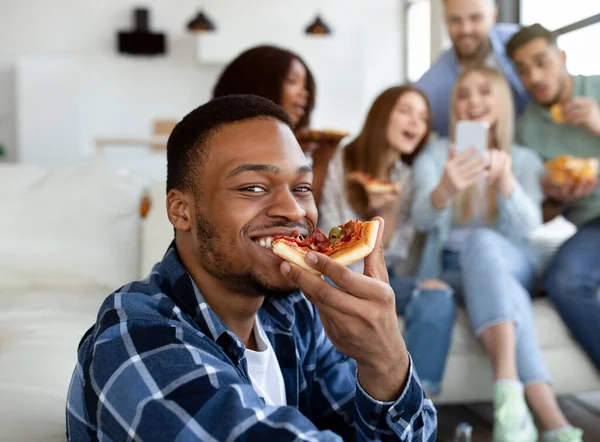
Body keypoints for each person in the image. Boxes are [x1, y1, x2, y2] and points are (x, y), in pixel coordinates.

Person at [66, 95, 437, 441]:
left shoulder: (297, 315)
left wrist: (385, 361)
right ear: (181, 211)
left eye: (303, 187)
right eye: (254, 188)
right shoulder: (137, 338)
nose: (294, 211)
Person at [412, 67, 583, 442]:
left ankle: (508, 393)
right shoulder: (437, 154)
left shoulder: (522, 160)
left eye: (484, 92)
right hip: (454, 272)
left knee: (483, 243)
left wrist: (506, 185)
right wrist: (445, 188)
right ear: (454, 106)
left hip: (512, 262)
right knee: (501, 285)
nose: (473, 102)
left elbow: (529, 230)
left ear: (502, 102)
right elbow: (421, 218)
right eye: (464, 94)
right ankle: (551, 422)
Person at [318, 85, 455, 396]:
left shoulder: (406, 177)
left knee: (438, 295)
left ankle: (417, 402)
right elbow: (330, 237)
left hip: (383, 278)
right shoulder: (343, 161)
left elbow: (394, 255)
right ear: (382, 114)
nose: (415, 122)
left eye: (423, 117)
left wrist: (387, 211)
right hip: (338, 277)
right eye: (405, 111)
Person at [507, 23, 600, 369]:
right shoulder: (526, 128)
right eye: (523, 69)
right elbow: (537, 215)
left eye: (541, 61)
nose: (534, 76)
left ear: (562, 57)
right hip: (589, 224)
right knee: (564, 279)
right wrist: (557, 200)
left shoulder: (597, 90)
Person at [212, 44, 335, 205]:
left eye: (305, 85)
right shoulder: (221, 149)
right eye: (293, 81)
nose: (304, 93)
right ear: (260, 86)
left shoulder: (297, 149)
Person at [416, 0, 528, 137]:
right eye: (455, 20)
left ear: (493, 15)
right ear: (445, 20)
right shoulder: (431, 86)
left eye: (475, 18)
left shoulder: (524, 44)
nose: (466, 29)